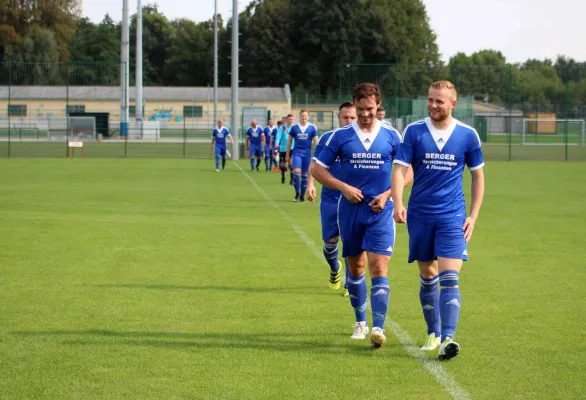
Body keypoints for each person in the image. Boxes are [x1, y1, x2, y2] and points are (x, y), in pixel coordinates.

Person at [391, 80, 485, 361]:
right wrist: (397, 202)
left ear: (452, 104)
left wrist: (473, 216)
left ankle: (448, 339)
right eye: (430, 100)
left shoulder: (468, 135)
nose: (433, 105)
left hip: (452, 216)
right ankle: (433, 332)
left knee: (450, 277)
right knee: (428, 275)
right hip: (419, 215)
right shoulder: (414, 131)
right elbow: (399, 169)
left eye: (439, 101)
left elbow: (478, 175)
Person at [311, 83, 405, 349]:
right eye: (361, 109)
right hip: (350, 211)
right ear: (354, 104)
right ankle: (360, 322)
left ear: (378, 107)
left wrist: (388, 195)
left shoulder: (392, 136)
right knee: (357, 269)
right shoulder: (339, 137)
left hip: (381, 212)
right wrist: (343, 188)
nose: (365, 115)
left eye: (371, 109)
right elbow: (317, 169)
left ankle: (378, 328)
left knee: (378, 267)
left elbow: (407, 171)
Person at [306, 102, 357, 297]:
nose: (350, 121)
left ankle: (350, 283)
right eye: (346, 117)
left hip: (353, 200)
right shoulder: (328, 138)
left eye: (353, 117)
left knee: (352, 243)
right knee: (330, 243)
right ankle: (335, 267)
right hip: (330, 198)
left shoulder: (363, 141)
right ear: (339, 117)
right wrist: (310, 185)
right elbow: (315, 164)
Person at [286, 109, 318, 202]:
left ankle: (302, 196)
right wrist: (288, 154)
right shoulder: (294, 128)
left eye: (305, 116)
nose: (304, 117)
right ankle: (297, 193)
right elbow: (289, 141)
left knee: (304, 175)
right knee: (296, 174)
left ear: (308, 117)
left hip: (307, 154)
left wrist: (318, 154)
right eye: (302, 116)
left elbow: (316, 142)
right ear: (299, 117)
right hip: (297, 153)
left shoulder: (312, 128)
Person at [274, 114, 294, 184]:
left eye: (292, 119)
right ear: (287, 120)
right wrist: (276, 145)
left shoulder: (294, 128)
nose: (290, 121)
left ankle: (292, 179)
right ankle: (283, 176)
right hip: (283, 148)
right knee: (283, 164)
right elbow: (278, 136)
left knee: (291, 163)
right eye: (289, 119)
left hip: (292, 148)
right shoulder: (282, 127)